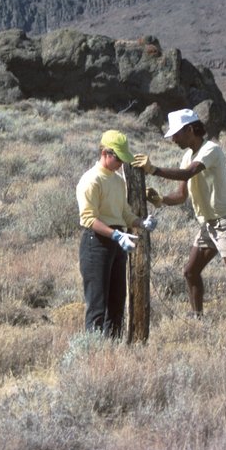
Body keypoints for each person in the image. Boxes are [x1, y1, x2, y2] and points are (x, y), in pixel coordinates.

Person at [132, 109, 226, 329]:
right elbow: (181, 196)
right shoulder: (187, 155)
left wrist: (153, 170)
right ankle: (197, 319)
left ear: (190, 129)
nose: (173, 139)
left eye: (176, 134)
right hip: (208, 225)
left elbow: (187, 174)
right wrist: (161, 199)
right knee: (190, 272)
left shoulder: (210, 150)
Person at [76, 130, 158, 339]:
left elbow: (123, 212)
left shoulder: (118, 180)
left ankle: (112, 351)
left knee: (117, 302)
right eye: (118, 158)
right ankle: (93, 353)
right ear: (105, 153)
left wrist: (141, 223)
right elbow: (88, 218)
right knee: (97, 304)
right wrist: (116, 235)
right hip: (96, 243)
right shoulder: (91, 180)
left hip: (117, 242)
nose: (121, 163)